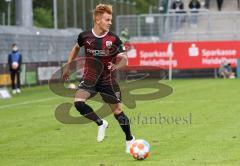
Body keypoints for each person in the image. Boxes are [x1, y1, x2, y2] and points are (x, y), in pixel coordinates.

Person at [62, 4, 135, 153]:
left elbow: (125, 58)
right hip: (90, 78)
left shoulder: (114, 38)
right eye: (107, 20)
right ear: (97, 19)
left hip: (107, 80)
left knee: (118, 112)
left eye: (110, 20)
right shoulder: (85, 36)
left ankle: (129, 139)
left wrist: (119, 64)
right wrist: (69, 65)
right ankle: (100, 123)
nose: (110, 23)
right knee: (78, 103)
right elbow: (76, 48)